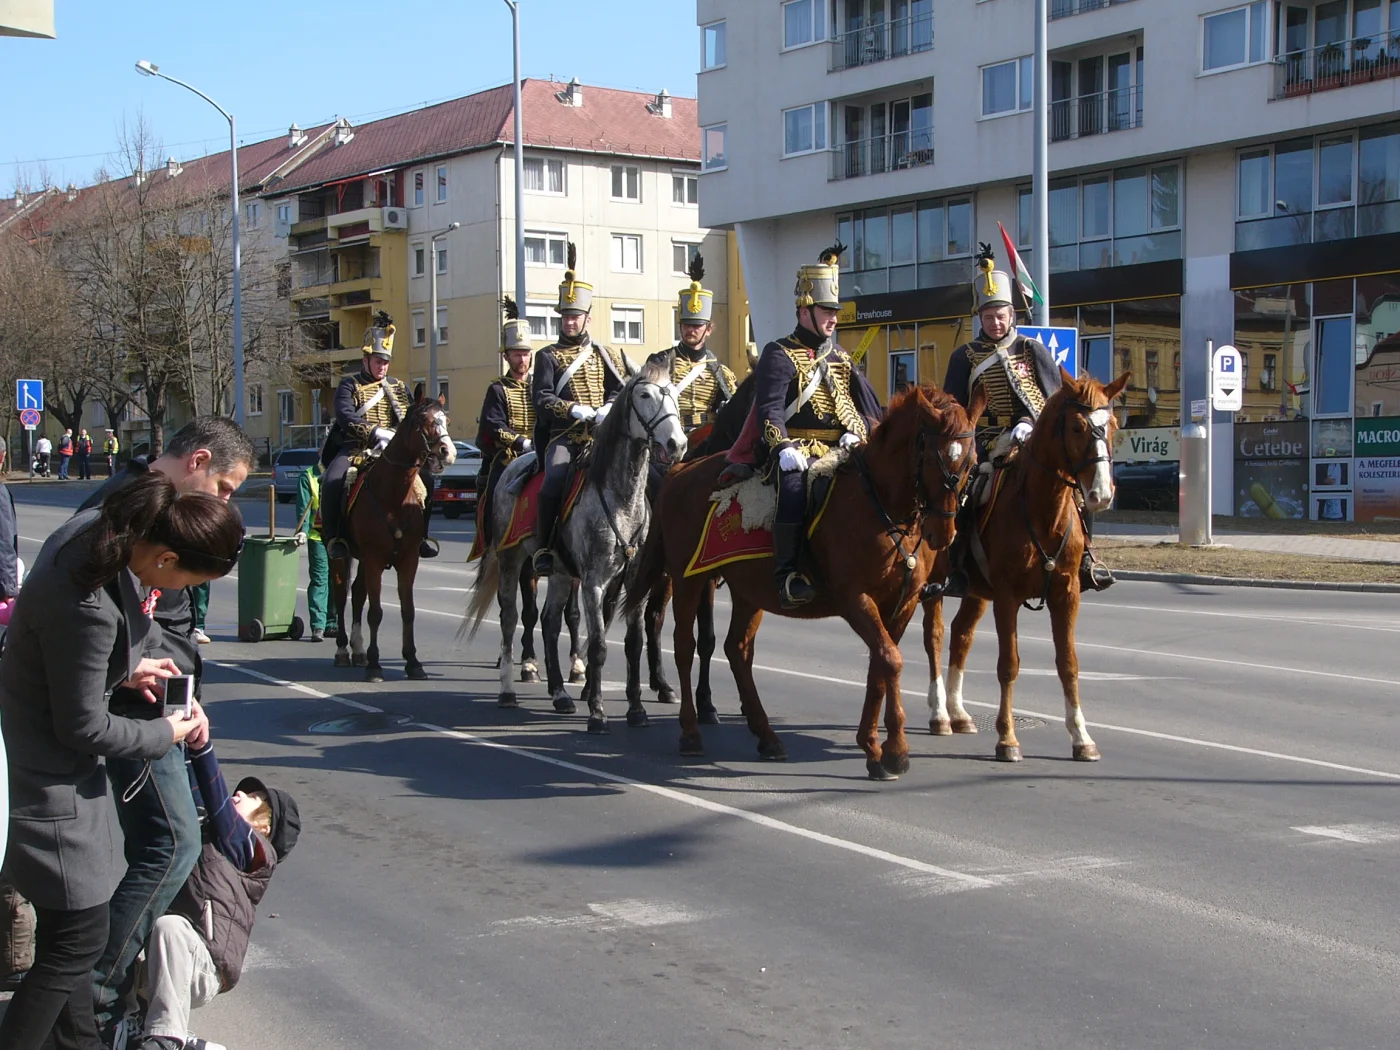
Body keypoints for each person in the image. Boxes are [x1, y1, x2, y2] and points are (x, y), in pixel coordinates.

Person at [0, 472, 241, 1050]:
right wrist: (165, 732)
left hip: (44, 761)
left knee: (69, 940)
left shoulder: (98, 531)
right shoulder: (92, 598)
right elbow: (82, 724)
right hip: (48, 777)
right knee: (76, 942)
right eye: (186, 582)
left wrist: (126, 668)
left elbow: (57, 654)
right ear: (164, 557)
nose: (174, 593)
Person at [76, 416, 256, 1042]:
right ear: (198, 460)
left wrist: (187, 695)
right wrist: (129, 669)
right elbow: (94, 617)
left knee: (163, 846)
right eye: (225, 488)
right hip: (134, 711)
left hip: (160, 705)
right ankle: (96, 1001)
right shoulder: (119, 508)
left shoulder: (166, 510)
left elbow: (169, 622)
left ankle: (107, 996)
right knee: (173, 843)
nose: (224, 501)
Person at [928, 246, 1114, 598]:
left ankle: (1086, 557)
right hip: (983, 439)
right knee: (965, 490)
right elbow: (955, 407)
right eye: (988, 317)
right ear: (979, 318)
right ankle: (957, 566)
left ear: (1011, 315)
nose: (995, 323)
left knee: (1075, 483)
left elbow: (1056, 399)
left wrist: (1028, 421)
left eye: (1000, 316)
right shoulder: (964, 356)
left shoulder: (1032, 349)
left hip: (1032, 436)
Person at [722, 243, 882, 608]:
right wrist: (782, 447)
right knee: (794, 488)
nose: (833, 318)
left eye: (835, 311)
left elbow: (863, 406)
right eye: (826, 311)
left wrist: (857, 431)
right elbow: (769, 410)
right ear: (804, 310)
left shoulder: (840, 356)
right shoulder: (779, 353)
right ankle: (788, 575)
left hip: (840, 450)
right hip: (796, 450)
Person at [133, 728, 299, 1050]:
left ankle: (166, 1039)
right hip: (171, 956)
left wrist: (202, 746)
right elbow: (194, 790)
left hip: (204, 965)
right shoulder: (216, 834)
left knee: (170, 928)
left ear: (264, 826)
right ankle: (148, 1029)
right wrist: (180, 734)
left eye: (253, 797)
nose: (240, 794)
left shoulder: (255, 850)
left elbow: (217, 800)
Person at [530, 241, 628, 577]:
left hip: (602, 437)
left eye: (575, 317)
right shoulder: (547, 356)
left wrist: (609, 407)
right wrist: (572, 409)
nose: (570, 322)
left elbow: (620, 390)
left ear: (588, 317)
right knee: (554, 480)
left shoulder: (605, 354)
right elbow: (541, 398)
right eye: (566, 317)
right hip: (565, 437)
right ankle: (545, 547)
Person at [319, 311, 438, 562]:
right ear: (366, 360)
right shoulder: (349, 385)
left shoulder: (399, 387)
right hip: (356, 449)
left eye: (385, 361)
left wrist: (398, 438)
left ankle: (422, 537)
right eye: (377, 361)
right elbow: (345, 416)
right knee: (332, 480)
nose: (382, 366)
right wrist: (374, 432)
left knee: (427, 480)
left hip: (393, 451)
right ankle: (335, 537)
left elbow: (410, 419)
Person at [645, 251, 736, 499]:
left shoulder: (720, 371)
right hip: (666, 443)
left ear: (709, 329)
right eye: (686, 324)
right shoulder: (660, 362)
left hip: (705, 444)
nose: (691, 330)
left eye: (697, 326)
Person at [474, 297, 535, 547]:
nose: (522, 360)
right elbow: (494, 425)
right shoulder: (498, 389)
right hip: (507, 457)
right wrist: (522, 442)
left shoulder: (540, 387)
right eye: (517, 355)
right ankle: (491, 543)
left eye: (525, 354)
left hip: (540, 451)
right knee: (492, 496)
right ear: (507, 357)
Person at [295, 460, 337, 642]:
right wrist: (302, 531)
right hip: (317, 536)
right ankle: (318, 625)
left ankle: (331, 623)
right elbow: (303, 506)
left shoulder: (342, 471)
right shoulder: (309, 476)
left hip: (337, 537)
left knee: (336, 580)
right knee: (320, 580)